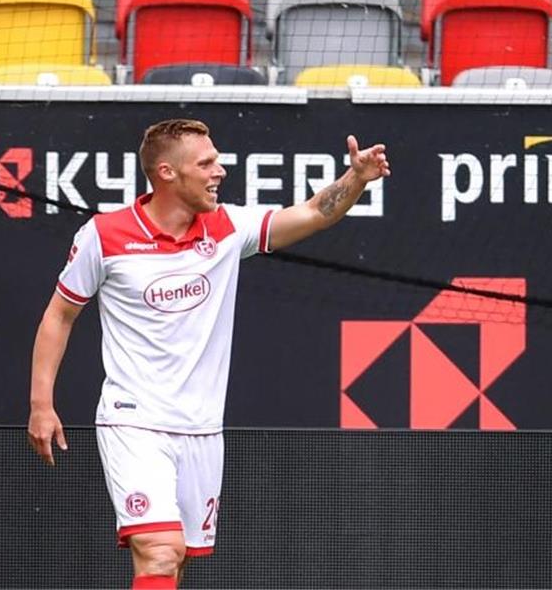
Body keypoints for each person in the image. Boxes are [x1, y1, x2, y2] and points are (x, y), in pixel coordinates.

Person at [26, 118, 390, 590]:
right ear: (166, 173)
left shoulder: (227, 227)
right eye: (207, 163)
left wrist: (356, 178)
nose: (220, 170)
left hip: (202, 429)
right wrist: (41, 403)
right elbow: (60, 315)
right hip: (133, 421)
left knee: (176, 564)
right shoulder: (105, 235)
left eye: (217, 159)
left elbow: (314, 213)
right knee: (160, 551)